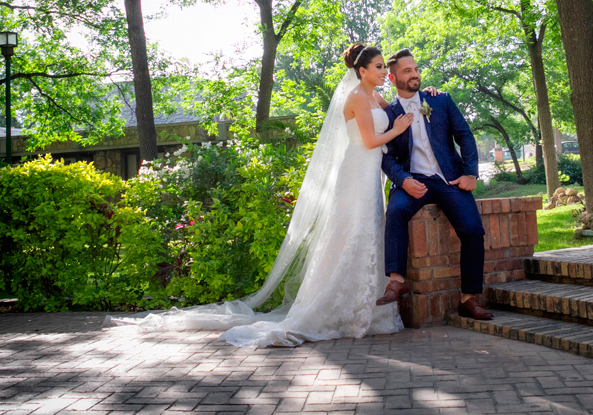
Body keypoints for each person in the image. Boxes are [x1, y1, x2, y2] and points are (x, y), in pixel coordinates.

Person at [105, 44, 436, 347]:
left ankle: (366, 309)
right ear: (362, 70)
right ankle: (333, 309)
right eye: (379, 67)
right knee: (349, 234)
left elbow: (400, 106)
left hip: (370, 176)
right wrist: (397, 129)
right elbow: (368, 140)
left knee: (369, 236)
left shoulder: (377, 98)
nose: (384, 73)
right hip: (355, 173)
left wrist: (428, 95)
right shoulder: (356, 99)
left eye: (384, 68)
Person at [378, 48, 493, 320]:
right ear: (393, 79)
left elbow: (465, 135)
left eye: (416, 69)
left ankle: (469, 298)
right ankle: (396, 280)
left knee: (473, 230)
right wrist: (403, 180)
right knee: (395, 211)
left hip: (449, 180)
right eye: (407, 71)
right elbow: (387, 157)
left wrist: (470, 173)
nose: (415, 74)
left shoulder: (439, 101)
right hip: (413, 181)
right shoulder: (388, 114)